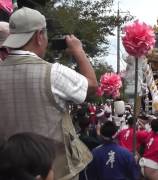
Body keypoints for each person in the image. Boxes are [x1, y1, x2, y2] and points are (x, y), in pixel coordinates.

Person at [0, 7, 98, 179]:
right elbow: (91, 86)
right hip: (54, 169)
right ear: (39, 36)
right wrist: (78, 51)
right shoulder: (54, 73)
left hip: (10, 171)